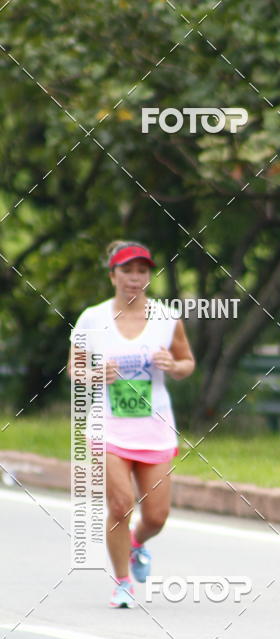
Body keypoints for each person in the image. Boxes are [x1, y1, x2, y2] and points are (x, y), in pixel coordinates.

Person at [69, 241, 195, 608]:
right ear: (113, 276)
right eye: (127, 270)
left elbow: (187, 363)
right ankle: (122, 582)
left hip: (154, 427)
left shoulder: (167, 318)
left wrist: (173, 366)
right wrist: (95, 375)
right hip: (108, 427)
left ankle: (137, 542)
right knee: (121, 504)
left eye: (142, 271)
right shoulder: (92, 319)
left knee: (156, 516)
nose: (135, 278)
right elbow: (75, 368)